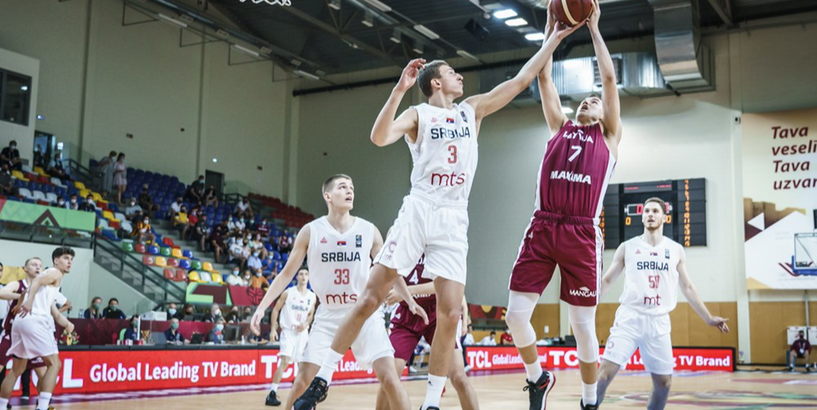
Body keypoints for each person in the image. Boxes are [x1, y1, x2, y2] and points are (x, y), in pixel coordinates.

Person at [293, 17, 584, 410]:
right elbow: (379, 137)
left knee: (448, 313)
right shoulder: (419, 115)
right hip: (420, 206)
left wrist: (555, 37)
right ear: (435, 83)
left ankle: (431, 402)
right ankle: (322, 380)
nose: (460, 77)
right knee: (370, 297)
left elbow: (521, 80)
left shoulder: (471, 111)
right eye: (452, 73)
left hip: (454, 214)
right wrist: (399, 90)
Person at [504, 3, 618, 409]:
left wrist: (594, 29)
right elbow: (544, 76)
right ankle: (538, 378)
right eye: (585, 100)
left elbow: (608, 78)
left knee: (582, 326)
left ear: (604, 113)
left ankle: (589, 400)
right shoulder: (559, 127)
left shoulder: (609, 139)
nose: (589, 101)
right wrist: (552, 31)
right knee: (515, 316)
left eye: (595, 101)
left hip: (581, 233)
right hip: (543, 226)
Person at [252, 174, 414, 410]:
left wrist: (409, 299)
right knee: (303, 381)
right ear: (327, 196)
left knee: (390, 377)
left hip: (364, 314)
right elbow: (286, 274)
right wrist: (261, 308)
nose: (350, 191)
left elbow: (390, 271)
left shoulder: (368, 230)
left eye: (352, 187)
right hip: (328, 315)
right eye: (342, 187)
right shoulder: (311, 231)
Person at [594, 198, 730, 409]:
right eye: (646, 211)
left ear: (664, 217)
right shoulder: (627, 247)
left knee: (664, 384)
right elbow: (607, 280)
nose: (650, 214)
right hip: (629, 318)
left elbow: (688, 287)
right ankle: (588, 406)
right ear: (642, 217)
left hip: (658, 322)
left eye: (655, 211)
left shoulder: (675, 250)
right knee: (603, 375)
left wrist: (709, 318)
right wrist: (586, 307)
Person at [376, 257, 479, 410]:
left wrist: (406, 292)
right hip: (406, 314)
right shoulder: (401, 242)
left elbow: (445, 283)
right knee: (389, 378)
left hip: (437, 312)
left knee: (459, 377)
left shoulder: (440, 246)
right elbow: (390, 271)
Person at [0, 247, 76, 410]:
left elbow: (31, 291)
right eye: (66, 258)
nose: (69, 262)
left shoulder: (46, 279)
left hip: (20, 322)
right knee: (54, 364)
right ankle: (42, 407)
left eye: (71, 259)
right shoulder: (55, 273)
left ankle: (2, 405)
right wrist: (28, 302)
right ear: (56, 260)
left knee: (17, 369)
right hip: (36, 322)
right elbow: (35, 283)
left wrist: (22, 302)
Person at [265, 268, 317, 406]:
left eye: (306, 274)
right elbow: (275, 309)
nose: (304, 276)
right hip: (288, 331)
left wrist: (306, 323)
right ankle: (272, 393)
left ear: (309, 277)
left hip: (302, 333)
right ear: (297, 277)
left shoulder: (312, 296)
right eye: (301, 274)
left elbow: (311, 314)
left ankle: (300, 394)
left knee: (302, 364)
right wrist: (273, 329)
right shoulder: (288, 293)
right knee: (285, 361)